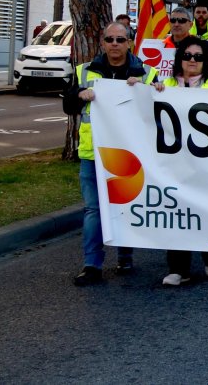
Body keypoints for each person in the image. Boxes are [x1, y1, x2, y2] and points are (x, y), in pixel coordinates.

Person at [63, 22, 159, 285]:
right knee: (93, 210)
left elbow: (159, 110)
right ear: (102, 43)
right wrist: (79, 94)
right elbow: (68, 105)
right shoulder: (84, 71)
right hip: (93, 155)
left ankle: (125, 257)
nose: (115, 44)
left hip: (131, 156)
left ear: (129, 43)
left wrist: (147, 91)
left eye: (120, 39)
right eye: (110, 39)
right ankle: (91, 265)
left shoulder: (146, 73)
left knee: (126, 206)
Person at [151, 36, 208, 286]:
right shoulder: (165, 84)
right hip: (175, 162)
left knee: (206, 210)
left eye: (198, 56)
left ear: (206, 61)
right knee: (177, 212)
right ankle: (178, 269)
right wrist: (149, 91)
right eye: (187, 56)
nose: (192, 60)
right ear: (179, 59)